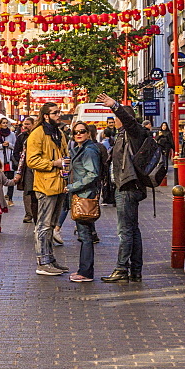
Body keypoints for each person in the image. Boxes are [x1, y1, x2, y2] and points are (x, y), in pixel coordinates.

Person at [96, 92, 150, 283]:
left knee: (125, 231)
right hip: (126, 186)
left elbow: (130, 122)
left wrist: (115, 105)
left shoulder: (132, 133)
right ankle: (135, 270)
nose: (114, 121)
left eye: (117, 118)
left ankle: (121, 269)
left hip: (127, 187)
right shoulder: (121, 135)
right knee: (132, 230)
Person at [26, 102, 69, 276]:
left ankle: (50, 259)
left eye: (59, 112)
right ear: (45, 115)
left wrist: (66, 163)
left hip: (59, 184)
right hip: (45, 185)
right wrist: (53, 164)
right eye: (55, 113)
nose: (58, 115)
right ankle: (42, 262)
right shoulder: (37, 134)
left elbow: (65, 154)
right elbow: (32, 160)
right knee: (43, 225)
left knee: (51, 224)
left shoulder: (58, 133)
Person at [67, 121, 102, 282]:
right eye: (75, 132)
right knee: (84, 235)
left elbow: (92, 174)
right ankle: (84, 270)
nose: (78, 134)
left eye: (82, 131)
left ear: (88, 133)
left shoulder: (89, 150)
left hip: (85, 196)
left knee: (85, 235)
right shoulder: (81, 149)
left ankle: (86, 272)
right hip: (81, 194)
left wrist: (73, 186)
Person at [13, 117, 36, 223]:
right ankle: (29, 214)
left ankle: (36, 212)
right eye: (24, 124)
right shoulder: (21, 137)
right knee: (27, 191)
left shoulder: (37, 136)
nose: (25, 126)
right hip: (26, 167)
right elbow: (16, 153)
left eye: (27, 124)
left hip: (37, 167)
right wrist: (20, 166)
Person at [0, 117, 17, 206]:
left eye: (6, 123)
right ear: (0, 124)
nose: (5, 124)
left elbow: (15, 146)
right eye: (3, 123)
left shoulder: (12, 134)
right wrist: (2, 145)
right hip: (1, 160)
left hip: (9, 160)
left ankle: (10, 198)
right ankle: (0, 198)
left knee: (10, 180)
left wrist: (9, 145)